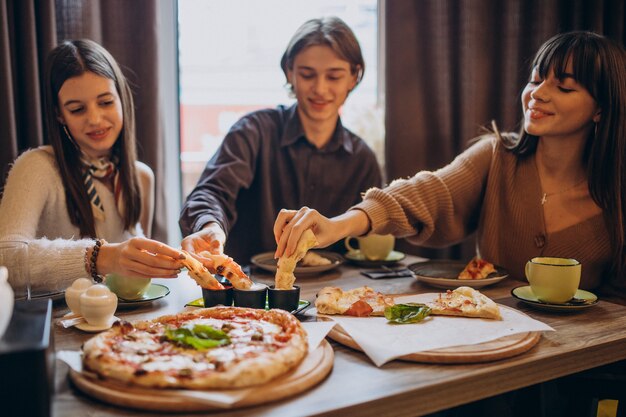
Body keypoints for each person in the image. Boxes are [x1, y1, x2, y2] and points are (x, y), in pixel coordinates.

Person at [274, 31, 626, 303]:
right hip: (491, 346)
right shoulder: (496, 155)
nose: (538, 93)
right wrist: (336, 226)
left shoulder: (616, 192)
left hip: (585, 366)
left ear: (601, 108)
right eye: (535, 80)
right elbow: (423, 193)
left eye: (563, 86)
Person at [179, 16, 382, 265]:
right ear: (290, 73)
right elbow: (210, 192)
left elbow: (372, 242)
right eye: (307, 75)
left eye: (334, 77)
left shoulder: (362, 160)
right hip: (249, 291)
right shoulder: (253, 132)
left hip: (332, 296)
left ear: (353, 77)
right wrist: (210, 225)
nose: (320, 88)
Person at [0, 39, 184, 294]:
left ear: (122, 98)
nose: (95, 119)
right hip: (56, 327)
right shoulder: (36, 167)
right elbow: (6, 258)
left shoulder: (141, 176)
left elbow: (134, 283)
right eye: (77, 109)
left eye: (106, 102)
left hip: (125, 328)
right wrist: (100, 257)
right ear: (59, 115)